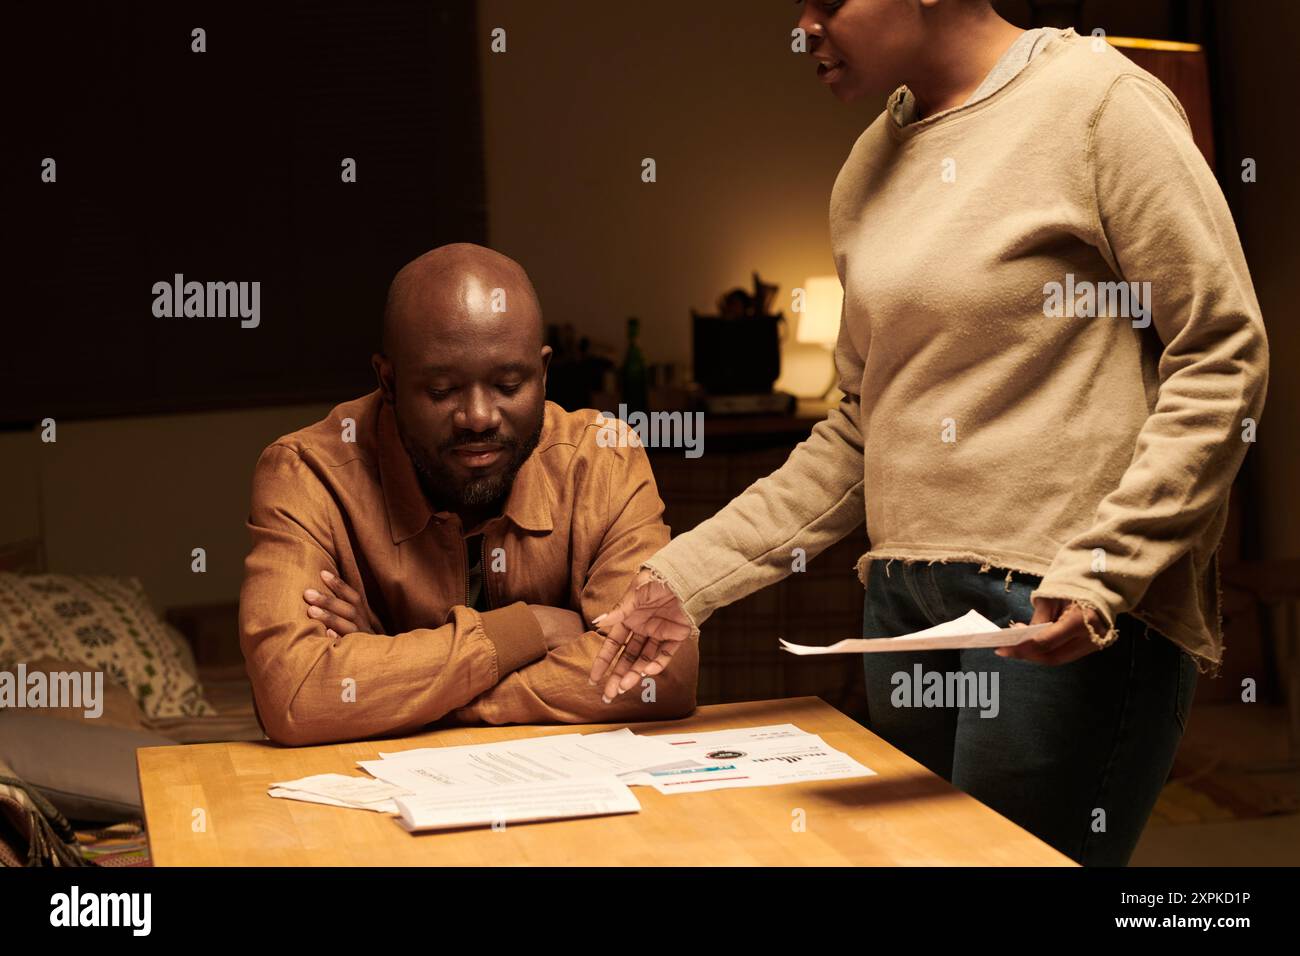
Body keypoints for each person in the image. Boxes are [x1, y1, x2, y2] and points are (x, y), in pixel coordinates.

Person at [589, 0, 1268, 865]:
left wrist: (1110, 564)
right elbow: (860, 432)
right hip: (904, 611)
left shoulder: (1097, 102)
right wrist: (683, 581)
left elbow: (1222, 353)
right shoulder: (868, 162)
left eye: (826, 2)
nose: (803, 29)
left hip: (1054, 609)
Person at [240, 243, 697, 745]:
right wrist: (528, 631)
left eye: (508, 384)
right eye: (441, 390)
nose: (478, 416)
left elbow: (662, 674)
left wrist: (398, 682)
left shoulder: (603, 458)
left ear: (543, 374)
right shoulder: (306, 472)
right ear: (388, 381)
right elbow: (297, 696)